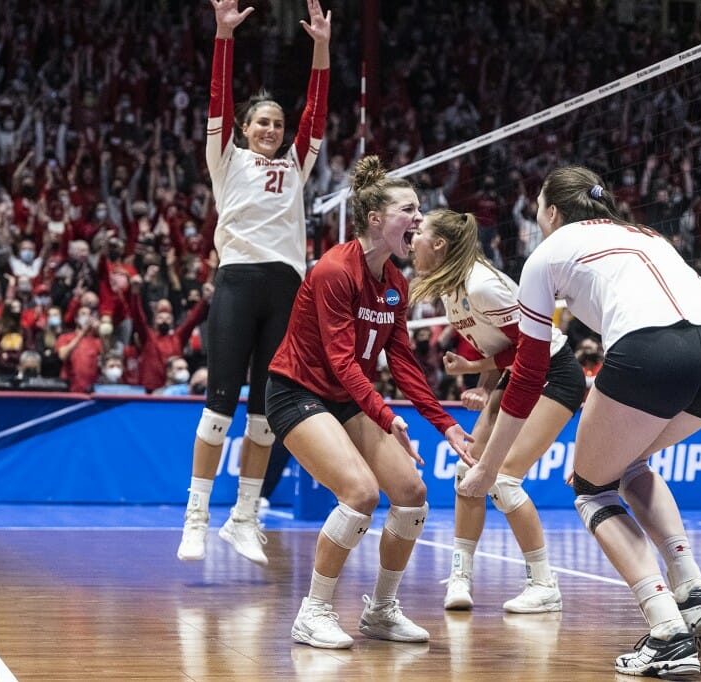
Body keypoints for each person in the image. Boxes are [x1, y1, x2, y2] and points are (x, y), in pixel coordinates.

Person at [458, 166, 701, 678]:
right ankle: (694, 593)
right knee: (630, 464)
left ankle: (666, 631)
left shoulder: (545, 254)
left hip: (653, 348)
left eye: (539, 210)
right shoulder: (646, 232)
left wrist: (489, 465)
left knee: (592, 489)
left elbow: (527, 374)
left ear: (550, 212)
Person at [264, 156, 472, 649]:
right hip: (296, 392)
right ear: (375, 219)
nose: (419, 219)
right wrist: (385, 414)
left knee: (412, 494)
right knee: (360, 493)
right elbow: (342, 361)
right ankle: (312, 612)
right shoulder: (335, 270)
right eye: (409, 209)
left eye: (419, 210)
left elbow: (402, 364)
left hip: (344, 398)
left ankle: (380, 611)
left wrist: (445, 425)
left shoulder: (396, 285)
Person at [177, 0, 331, 565]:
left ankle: (244, 517)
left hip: (286, 289)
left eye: (277, 123)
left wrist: (322, 46)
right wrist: (222, 35)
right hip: (239, 284)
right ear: (243, 129)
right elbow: (217, 97)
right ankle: (196, 516)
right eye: (261, 122)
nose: (271, 129)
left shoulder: (296, 163)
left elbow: (317, 111)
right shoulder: (227, 159)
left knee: (267, 416)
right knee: (219, 408)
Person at [409, 208, 585, 613]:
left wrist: (473, 369)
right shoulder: (453, 287)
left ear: (439, 245)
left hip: (553, 374)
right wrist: (485, 386)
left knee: (503, 480)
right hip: (519, 373)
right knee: (467, 470)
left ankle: (544, 585)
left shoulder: (482, 284)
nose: (412, 239)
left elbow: (529, 347)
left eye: (419, 232)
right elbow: (498, 346)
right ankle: (460, 577)